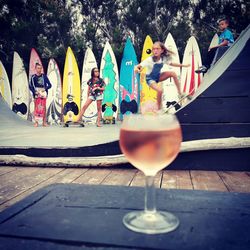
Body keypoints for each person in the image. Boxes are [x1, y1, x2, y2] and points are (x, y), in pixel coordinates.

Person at [134, 41, 190, 110]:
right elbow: (138, 66)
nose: (155, 51)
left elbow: (172, 64)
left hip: (158, 76)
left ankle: (180, 93)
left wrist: (184, 65)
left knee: (173, 73)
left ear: (162, 50)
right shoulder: (149, 60)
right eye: (154, 49)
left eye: (157, 49)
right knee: (160, 90)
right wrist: (136, 69)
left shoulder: (163, 59)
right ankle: (159, 108)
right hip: (150, 79)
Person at [29, 63, 52, 127]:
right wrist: (34, 92)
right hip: (36, 93)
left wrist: (44, 89)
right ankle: (36, 122)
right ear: (35, 69)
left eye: (40, 68)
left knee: (44, 107)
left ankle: (44, 122)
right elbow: (30, 86)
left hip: (43, 93)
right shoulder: (33, 77)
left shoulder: (44, 76)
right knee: (36, 107)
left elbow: (50, 85)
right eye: (38, 68)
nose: (39, 70)